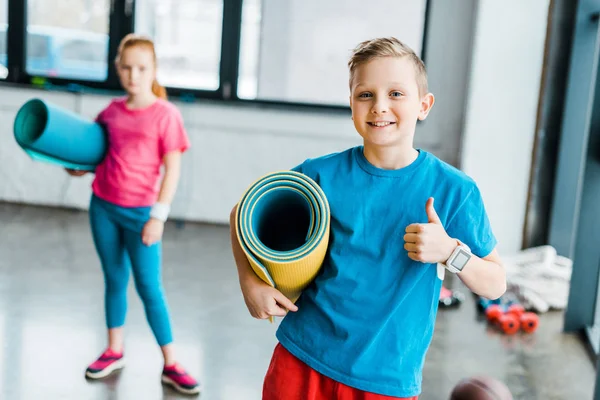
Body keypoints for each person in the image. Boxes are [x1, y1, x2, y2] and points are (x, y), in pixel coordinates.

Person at [229, 37, 506, 400]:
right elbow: (240, 213)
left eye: (395, 94)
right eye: (365, 95)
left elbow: (496, 284)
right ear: (351, 104)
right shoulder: (321, 174)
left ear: (424, 105)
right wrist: (251, 284)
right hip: (303, 358)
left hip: (385, 379)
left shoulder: (454, 190)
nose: (379, 107)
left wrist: (451, 252)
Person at [66, 33, 199, 396]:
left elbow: (172, 170)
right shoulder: (109, 113)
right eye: (126, 67)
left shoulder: (166, 115)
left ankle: (171, 363)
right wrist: (79, 167)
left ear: (153, 70)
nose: (133, 74)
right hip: (104, 208)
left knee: (149, 288)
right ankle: (114, 350)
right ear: (117, 69)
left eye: (141, 68)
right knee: (113, 279)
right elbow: (99, 156)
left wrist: (159, 215)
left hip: (142, 215)